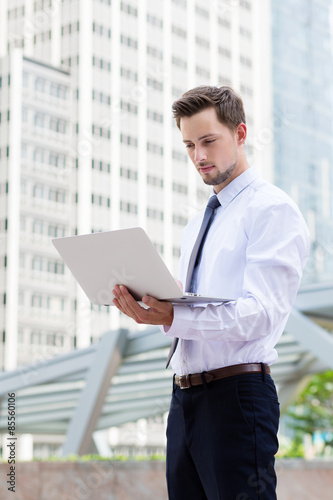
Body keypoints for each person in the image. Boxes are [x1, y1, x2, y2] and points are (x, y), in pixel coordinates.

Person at [112, 86, 310, 500]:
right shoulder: (200, 221)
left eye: (208, 141)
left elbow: (260, 314)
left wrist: (173, 316)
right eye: (188, 145)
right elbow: (197, 310)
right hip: (184, 399)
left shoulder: (271, 209)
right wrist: (155, 307)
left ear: (239, 134)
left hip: (237, 399)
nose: (199, 157)